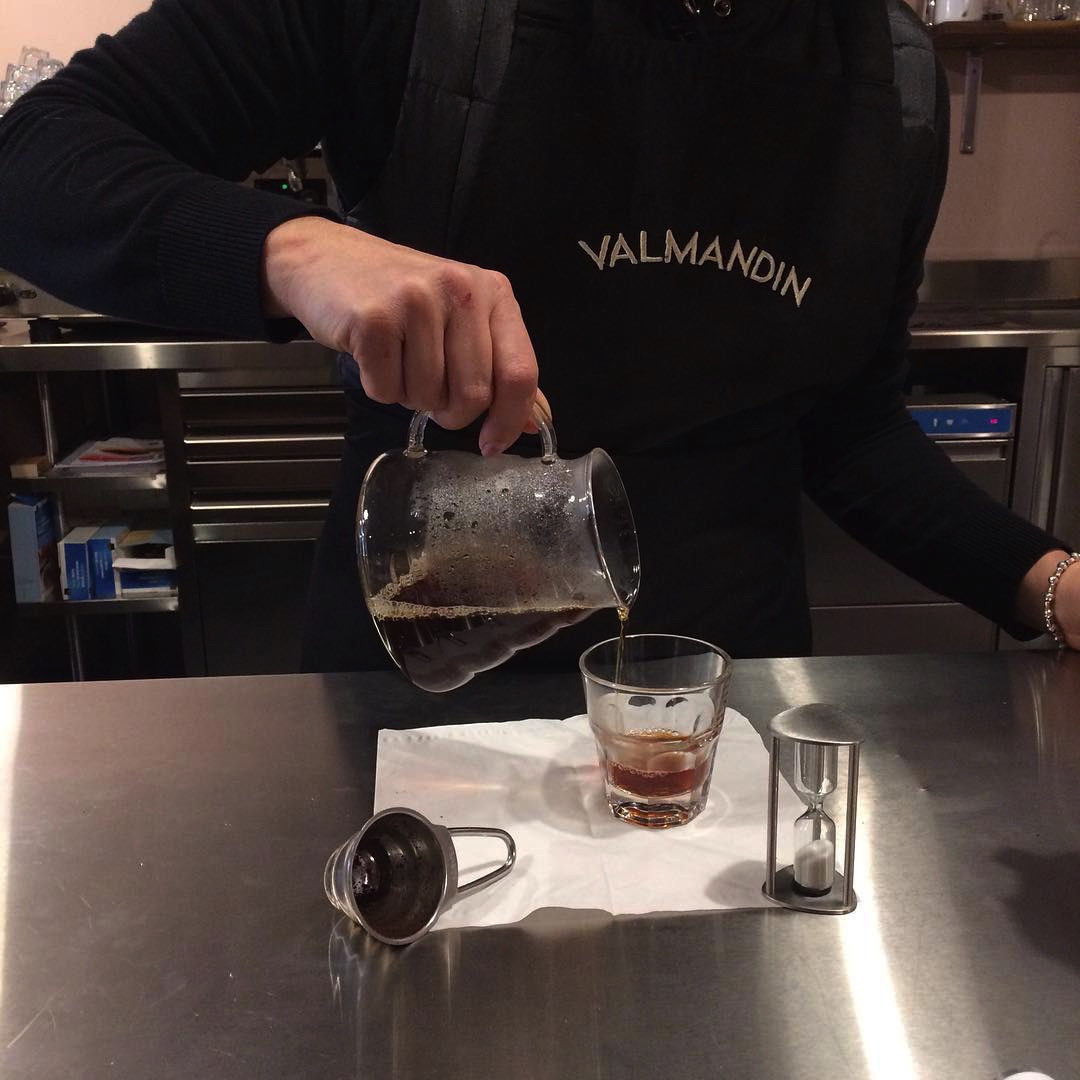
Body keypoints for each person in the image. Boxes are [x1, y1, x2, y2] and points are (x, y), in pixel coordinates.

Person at [0, 0, 1076, 675]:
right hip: (428, 684)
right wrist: (292, 248)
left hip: (712, 705)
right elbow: (34, 159)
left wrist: (1048, 582)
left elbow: (848, 425)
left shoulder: (891, 81)